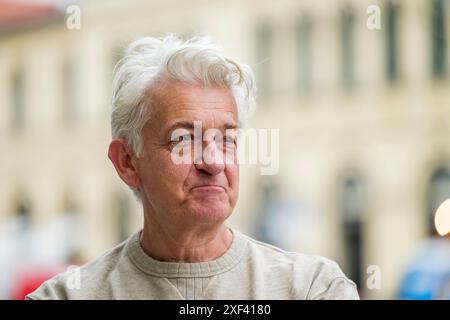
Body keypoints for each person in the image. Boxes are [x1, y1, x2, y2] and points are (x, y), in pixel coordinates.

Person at [26, 35, 359, 300]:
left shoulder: (313, 289)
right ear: (127, 162)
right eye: (184, 140)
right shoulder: (65, 296)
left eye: (226, 139)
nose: (214, 162)